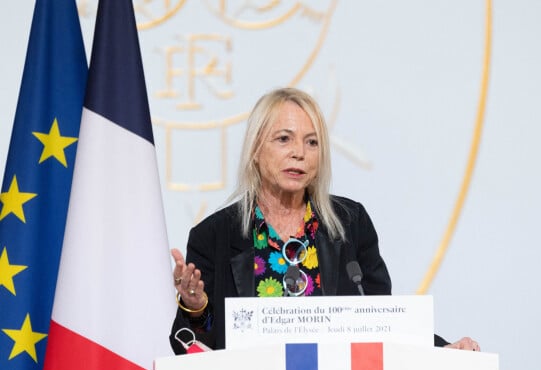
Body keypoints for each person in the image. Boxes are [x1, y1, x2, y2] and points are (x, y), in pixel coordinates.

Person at [169, 87, 479, 353]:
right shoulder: (214, 235)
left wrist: (442, 350)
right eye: (284, 139)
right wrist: (195, 309)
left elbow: (380, 321)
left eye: (312, 142)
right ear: (255, 150)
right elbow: (197, 347)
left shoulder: (350, 224)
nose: (299, 153)